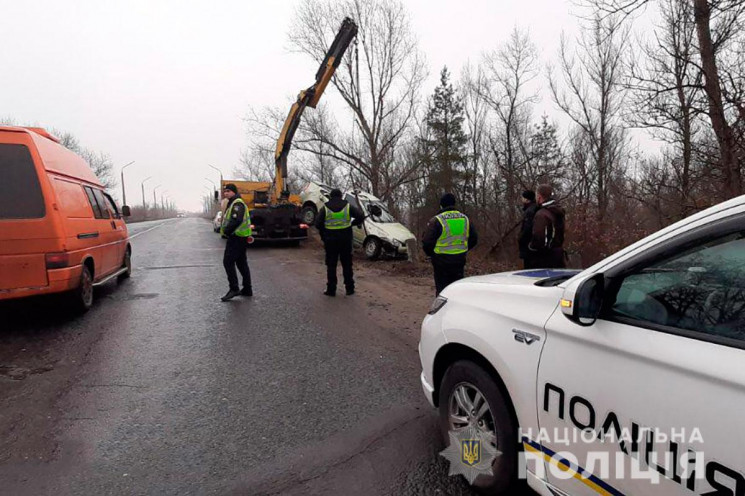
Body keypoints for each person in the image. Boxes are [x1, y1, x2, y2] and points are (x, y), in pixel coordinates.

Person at [422, 193, 478, 295]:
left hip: (441, 261)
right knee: (457, 289)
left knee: (442, 291)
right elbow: (474, 239)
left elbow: (427, 242)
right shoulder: (465, 218)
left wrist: (432, 255)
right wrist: (463, 249)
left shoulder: (437, 220)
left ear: (441, 205)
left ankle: (443, 310)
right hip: (459, 260)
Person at [315, 189, 364, 296]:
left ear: (331, 197)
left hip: (330, 240)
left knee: (331, 265)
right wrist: (352, 224)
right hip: (345, 239)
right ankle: (349, 288)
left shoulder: (325, 208)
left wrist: (325, 232)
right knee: (347, 264)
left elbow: (317, 223)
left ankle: (331, 289)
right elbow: (361, 215)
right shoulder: (348, 206)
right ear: (341, 196)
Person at [220, 184, 253, 301]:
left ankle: (234, 288)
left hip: (236, 237)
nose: (226, 193)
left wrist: (226, 232)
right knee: (241, 263)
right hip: (241, 237)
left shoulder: (237, 203)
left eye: (228, 191)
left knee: (228, 262)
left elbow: (236, 220)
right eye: (224, 191)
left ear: (234, 192)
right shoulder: (234, 202)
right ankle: (247, 289)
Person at [529, 184, 566, 268]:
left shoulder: (542, 214)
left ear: (539, 197)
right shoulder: (558, 210)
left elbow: (539, 238)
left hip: (545, 258)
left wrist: (531, 248)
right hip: (558, 255)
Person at [518, 190, 539, 269]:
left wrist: (520, 238)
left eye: (523, 197)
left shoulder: (529, 211)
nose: (521, 199)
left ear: (527, 199)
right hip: (533, 247)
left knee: (529, 268)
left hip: (529, 247)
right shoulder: (535, 208)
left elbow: (527, 229)